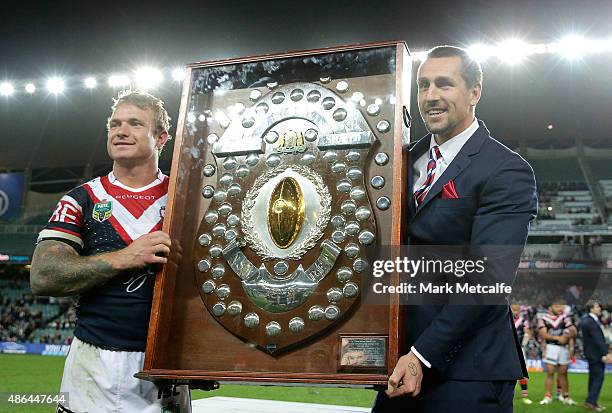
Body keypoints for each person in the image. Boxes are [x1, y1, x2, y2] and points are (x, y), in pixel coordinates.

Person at [372, 45, 537, 412]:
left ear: (474, 92)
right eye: (423, 85)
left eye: (444, 85)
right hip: (400, 365)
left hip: (466, 371)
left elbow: (487, 278)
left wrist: (421, 355)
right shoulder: (399, 161)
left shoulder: (505, 170)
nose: (430, 96)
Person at [30, 90, 191, 413]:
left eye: (134, 123)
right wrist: (124, 257)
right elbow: (43, 276)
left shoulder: (186, 199)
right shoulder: (81, 199)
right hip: (93, 364)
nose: (121, 130)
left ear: (161, 138)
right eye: (115, 124)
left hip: (165, 366)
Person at [537, 298, 577, 405]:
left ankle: (566, 396)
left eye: (562, 306)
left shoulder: (565, 318)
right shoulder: (543, 319)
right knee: (550, 373)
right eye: (557, 306)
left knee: (563, 373)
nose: (560, 308)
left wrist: (568, 335)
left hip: (564, 348)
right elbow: (543, 334)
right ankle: (548, 396)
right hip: (551, 348)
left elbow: (574, 331)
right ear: (550, 307)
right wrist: (558, 338)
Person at [581, 300, 610, 411]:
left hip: (592, 353)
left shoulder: (588, 320)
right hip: (595, 354)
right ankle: (591, 402)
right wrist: (606, 353)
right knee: (598, 378)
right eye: (598, 307)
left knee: (593, 378)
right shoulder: (590, 321)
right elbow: (597, 339)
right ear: (591, 308)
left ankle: (591, 401)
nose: (600, 308)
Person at [512, 303, 533, 404]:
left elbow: (528, 332)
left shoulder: (523, 321)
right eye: (514, 310)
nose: (515, 312)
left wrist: (524, 342)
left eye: (517, 310)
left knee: (522, 373)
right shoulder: (506, 320)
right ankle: (508, 394)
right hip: (507, 349)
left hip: (520, 349)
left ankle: (525, 395)